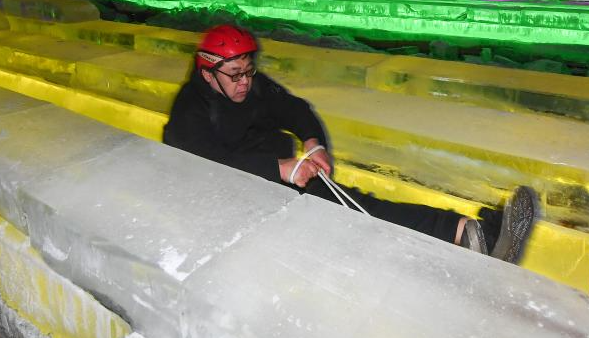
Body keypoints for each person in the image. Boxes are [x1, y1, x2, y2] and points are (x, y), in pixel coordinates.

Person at [163, 25, 538, 263]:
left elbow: (293, 109)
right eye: (234, 75)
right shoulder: (189, 111)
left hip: (278, 179)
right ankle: (471, 237)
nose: (244, 81)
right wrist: (279, 170)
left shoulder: (250, 87)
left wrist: (313, 143)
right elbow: (205, 166)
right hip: (242, 202)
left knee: (361, 205)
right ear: (207, 73)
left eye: (248, 71)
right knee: (363, 212)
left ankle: (467, 232)